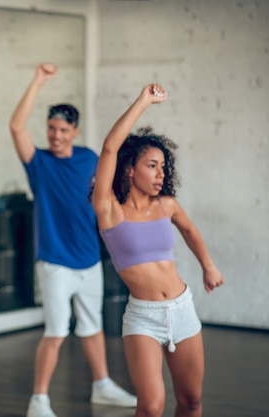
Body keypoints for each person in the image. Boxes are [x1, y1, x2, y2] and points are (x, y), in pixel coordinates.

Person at [9, 63, 138, 417]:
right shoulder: (39, 163)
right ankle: (39, 400)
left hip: (89, 259)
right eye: (51, 128)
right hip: (54, 262)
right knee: (55, 331)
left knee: (92, 327)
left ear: (74, 130)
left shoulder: (89, 159)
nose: (55, 135)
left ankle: (103, 386)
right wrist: (38, 80)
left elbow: (109, 200)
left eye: (63, 130)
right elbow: (16, 126)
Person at [91, 83, 224, 417]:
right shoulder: (109, 210)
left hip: (182, 309)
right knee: (151, 406)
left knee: (191, 400)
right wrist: (143, 101)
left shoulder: (166, 205)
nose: (161, 173)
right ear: (129, 169)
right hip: (143, 318)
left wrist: (208, 266)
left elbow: (191, 230)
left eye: (163, 166)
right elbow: (109, 148)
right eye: (152, 165)